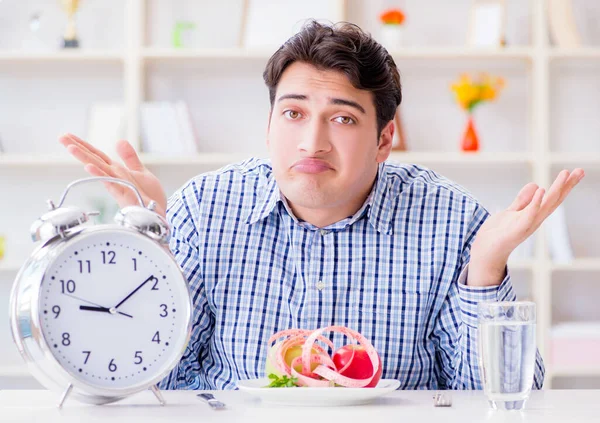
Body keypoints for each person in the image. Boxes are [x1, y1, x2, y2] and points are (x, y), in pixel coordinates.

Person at [60, 21, 583, 390]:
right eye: (292, 114)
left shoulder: (451, 220)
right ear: (268, 126)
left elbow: (501, 400)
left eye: (343, 119)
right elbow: (158, 384)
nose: (312, 142)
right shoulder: (202, 209)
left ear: (385, 140)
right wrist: (153, 250)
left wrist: (486, 270)